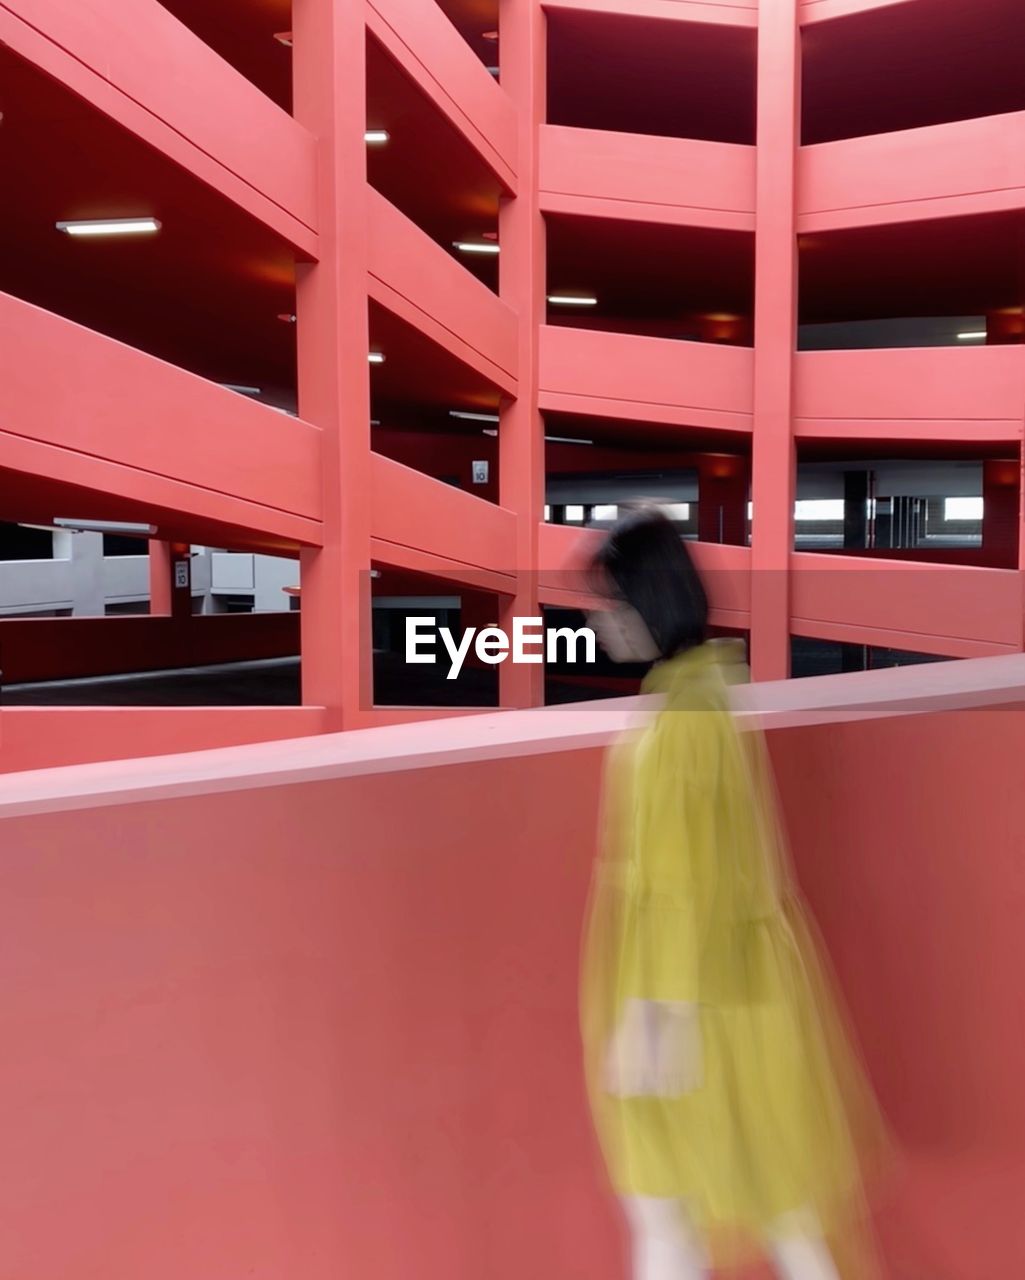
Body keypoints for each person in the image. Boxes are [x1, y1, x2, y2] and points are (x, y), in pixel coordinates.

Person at [579, 505, 886, 1280]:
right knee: (771, 1213)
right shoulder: (706, 693)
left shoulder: (682, 720)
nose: (600, 620)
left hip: (696, 998)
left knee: (673, 1208)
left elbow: (685, 884)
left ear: (650, 601)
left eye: (611, 602)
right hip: (733, 990)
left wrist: (656, 1022)